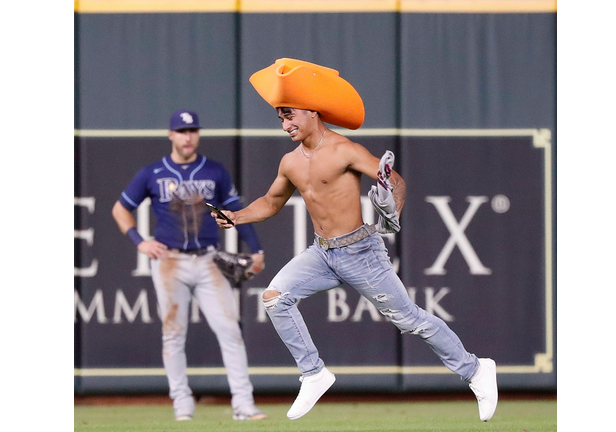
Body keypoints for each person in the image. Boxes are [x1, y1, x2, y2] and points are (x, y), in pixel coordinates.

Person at [209, 58, 498, 422]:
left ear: (313, 112)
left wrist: (392, 211)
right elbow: (271, 202)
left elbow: (394, 181)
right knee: (275, 298)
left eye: (290, 115)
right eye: (281, 118)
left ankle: (475, 370)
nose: (285, 124)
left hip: (361, 253)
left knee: (410, 320)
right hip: (321, 253)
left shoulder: (345, 150)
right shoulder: (290, 162)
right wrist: (235, 216)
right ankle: (314, 373)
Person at [112, 109, 267, 421]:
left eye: (192, 130)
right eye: (181, 131)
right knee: (173, 333)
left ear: (198, 134)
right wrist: (139, 241)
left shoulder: (215, 171)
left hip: (209, 259)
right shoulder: (153, 173)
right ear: (171, 135)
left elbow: (235, 210)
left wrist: (257, 248)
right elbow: (120, 209)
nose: (187, 136)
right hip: (170, 260)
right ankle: (182, 403)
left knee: (230, 330)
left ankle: (243, 404)